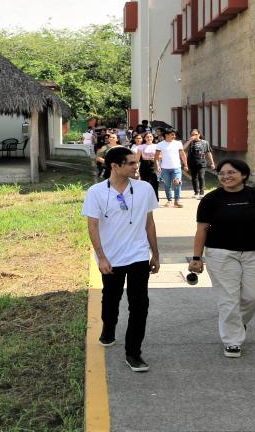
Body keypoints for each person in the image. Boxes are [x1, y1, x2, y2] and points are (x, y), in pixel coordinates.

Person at [188, 159, 255, 358]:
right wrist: (197, 257)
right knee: (228, 299)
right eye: (222, 173)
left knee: (254, 296)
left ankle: (236, 324)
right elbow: (202, 229)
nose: (226, 177)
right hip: (221, 254)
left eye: (231, 172)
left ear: (243, 175)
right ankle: (232, 341)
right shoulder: (211, 199)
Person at [81, 146, 161, 372]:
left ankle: (133, 353)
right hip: (111, 258)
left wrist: (155, 253)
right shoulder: (96, 192)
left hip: (137, 255)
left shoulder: (144, 188)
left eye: (137, 163)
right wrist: (102, 257)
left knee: (140, 304)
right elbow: (93, 226)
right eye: (131, 163)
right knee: (111, 299)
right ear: (115, 166)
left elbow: (149, 223)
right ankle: (108, 328)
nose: (137, 166)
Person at [154, 129, 189, 207]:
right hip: (165, 168)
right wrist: (157, 166)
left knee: (177, 182)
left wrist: (186, 165)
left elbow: (183, 154)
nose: (174, 136)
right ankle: (169, 200)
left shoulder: (178, 143)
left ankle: (177, 200)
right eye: (172, 134)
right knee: (167, 185)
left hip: (176, 167)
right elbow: (156, 157)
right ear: (166, 135)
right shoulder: (160, 144)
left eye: (174, 135)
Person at [183, 129, 215, 198]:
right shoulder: (190, 142)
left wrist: (212, 163)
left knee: (201, 176)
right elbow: (183, 148)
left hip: (202, 163)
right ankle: (196, 192)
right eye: (192, 134)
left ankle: (201, 192)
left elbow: (209, 153)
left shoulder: (205, 142)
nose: (193, 136)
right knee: (194, 178)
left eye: (195, 134)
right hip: (192, 162)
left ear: (199, 135)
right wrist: (190, 140)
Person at [137, 132, 160, 197]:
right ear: (144, 138)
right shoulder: (141, 146)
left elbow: (161, 156)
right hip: (144, 164)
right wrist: (137, 169)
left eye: (150, 136)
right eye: (147, 137)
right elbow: (137, 159)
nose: (149, 138)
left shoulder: (156, 146)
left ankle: (155, 198)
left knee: (154, 181)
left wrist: (156, 161)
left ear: (153, 138)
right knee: (144, 182)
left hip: (153, 163)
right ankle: (145, 198)